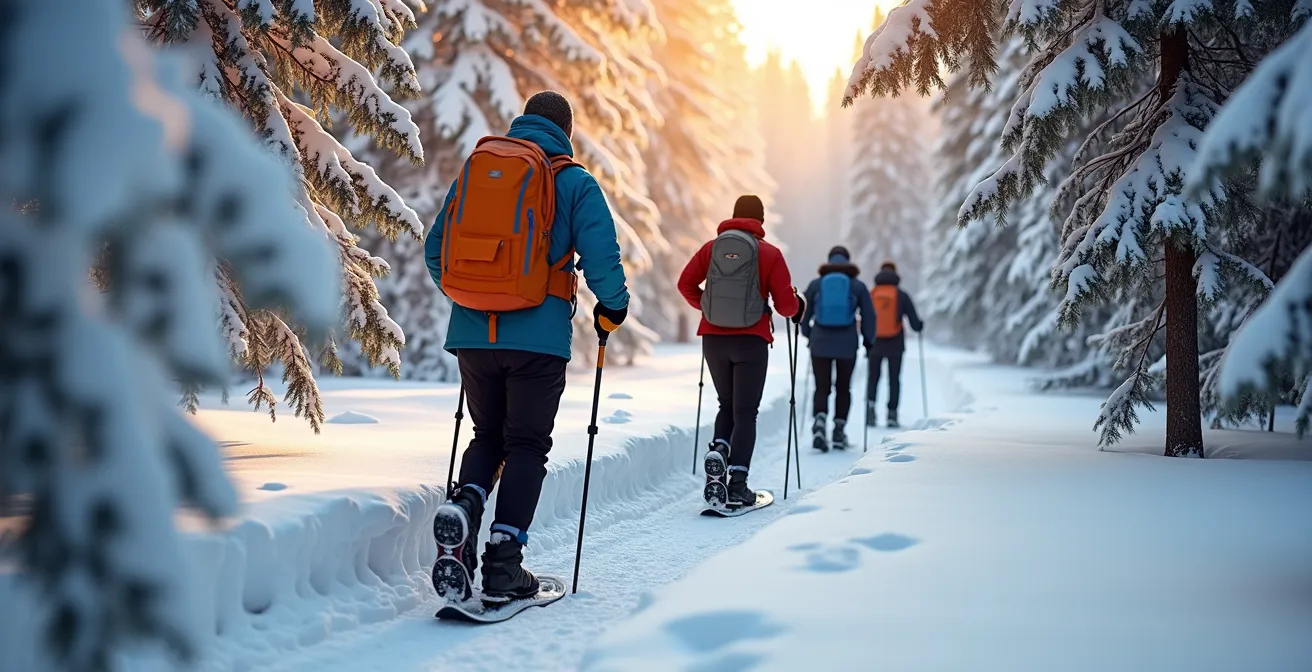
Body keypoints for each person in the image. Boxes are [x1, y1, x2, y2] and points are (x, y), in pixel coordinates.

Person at [424, 91, 629, 603]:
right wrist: (614, 306)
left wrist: (470, 298)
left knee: (487, 434)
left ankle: (466, 505)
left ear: (523, 123)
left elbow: (436, 251)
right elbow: (602, 254)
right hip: (537, 342)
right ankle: (503, 564)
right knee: (527, 445)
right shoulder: (575, 182)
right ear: (566, 131)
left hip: (473, 335)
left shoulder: (477, 172)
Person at [677, 195, 802, 508]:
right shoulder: (769, 253)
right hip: (751, 341)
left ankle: (719, 448)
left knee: (727, 404)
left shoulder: (712, 248)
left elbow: (685, 284)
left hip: (713, 339)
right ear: (760, 221)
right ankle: (737, 485)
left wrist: (708, 307)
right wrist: (799, 305)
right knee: (746, 413)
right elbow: (786, 306)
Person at [800, 246, 876, 451]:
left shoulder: (816, 284)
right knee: (844, 388)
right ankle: (839, 430)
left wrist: (809, 334)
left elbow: (802, 312)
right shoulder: (857, 286)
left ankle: (820, 421)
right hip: (847, 344)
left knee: (821, 387)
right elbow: (869, 315)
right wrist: (869, 341)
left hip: (820, 344)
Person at [868, 261, 923, 428]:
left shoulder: (872, 293)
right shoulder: (901, 295)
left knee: (873, 378)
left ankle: (870, 411)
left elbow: (864, 317)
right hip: (895, 344)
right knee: (894, 380)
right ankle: (892, 414)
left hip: (874, 343)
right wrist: (920, 325)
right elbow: (914, 323)